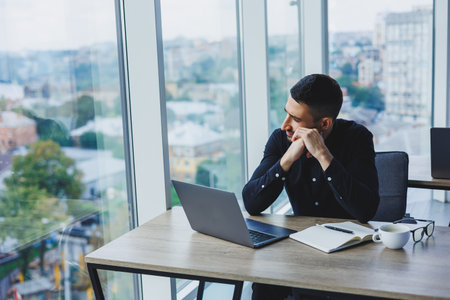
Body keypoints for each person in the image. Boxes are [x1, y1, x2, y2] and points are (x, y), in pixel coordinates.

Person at [242, 74, 380, 300]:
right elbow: (252, 202)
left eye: (294, 118)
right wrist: (286, 161)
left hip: (349, 253)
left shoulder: (357, 138)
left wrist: (323, 155)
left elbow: (365, 210)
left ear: (324, 123)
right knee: (263, 286)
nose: (284, 124)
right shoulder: (280, 139)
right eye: (286, 113)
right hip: (297, 247)